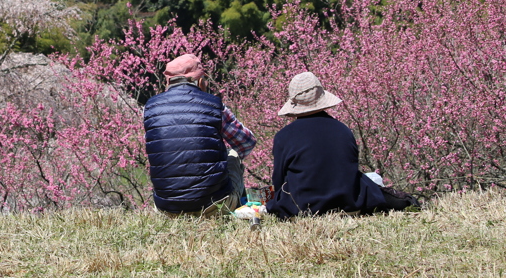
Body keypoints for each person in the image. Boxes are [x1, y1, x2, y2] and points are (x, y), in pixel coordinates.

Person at [268, 71, 417, 218]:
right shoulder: (343, 130)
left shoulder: (284, 136)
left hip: (301, 207)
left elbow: (279, 180)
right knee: (372, 178)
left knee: (268, 194)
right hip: (348, 203)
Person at [143, 54, 256, 216]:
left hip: (167, 209)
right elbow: (247, 142)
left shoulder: (150, 108)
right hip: (215, 205)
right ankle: (238, 207)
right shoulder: (214, 104)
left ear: (168, 82)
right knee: (232, 153)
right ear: (199, 81)